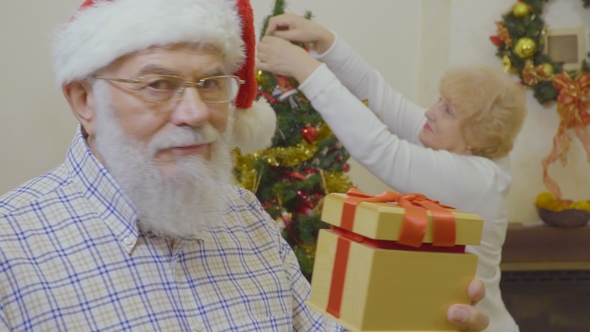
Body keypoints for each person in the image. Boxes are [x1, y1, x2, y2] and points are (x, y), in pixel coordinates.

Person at [0, 1, 489, 330]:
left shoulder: (246, 217)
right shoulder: (11, 253)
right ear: (85, 99)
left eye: (212, 83)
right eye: (157, 85)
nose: (195, 112)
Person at [257, 13, 526, 332]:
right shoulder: (462, 147)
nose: (431, 111)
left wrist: (304, 68)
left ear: (478, 136)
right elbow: (385, 99)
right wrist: (325, 41)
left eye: (448, 110)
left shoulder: (478, 179)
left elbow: (379, 148)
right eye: (440, 100)